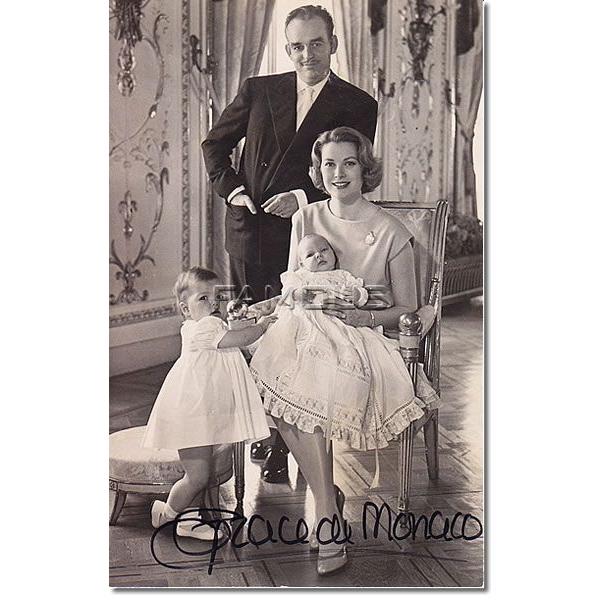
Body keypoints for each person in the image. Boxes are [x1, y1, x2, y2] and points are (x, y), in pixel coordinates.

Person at [201, 4, 378, 483]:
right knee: (253, 333)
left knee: (297, 340)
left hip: (313, 242)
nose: (307, 55)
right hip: (251, 232)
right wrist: (235, 191)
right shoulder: (259, 90)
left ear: (333, 44)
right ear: (287, 49)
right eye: (297, 46)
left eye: (316, 44)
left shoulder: (358, 103)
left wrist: (301, 197)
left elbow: (354, 174)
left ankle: (285, 445)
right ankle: (258, 430)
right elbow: (214, 145)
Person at [256, 127, 438, 575]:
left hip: (367, 337)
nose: (339, 173)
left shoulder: (391, 231)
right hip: (308, 332)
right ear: (318, 171)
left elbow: (407, 308)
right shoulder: (305, 219)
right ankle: (327, 505)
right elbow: (294, 286)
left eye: (349, 163)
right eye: (329, 164)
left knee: (305, 379)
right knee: (278, 375)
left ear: (364, 168)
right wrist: (263, 313)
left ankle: (325, 513)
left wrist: (361, 317)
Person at [250, 232, 424, 455]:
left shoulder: (343, 277)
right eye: (310, 255)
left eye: (324, 250)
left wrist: (355, 295)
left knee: (354, 355)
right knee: (297, 356)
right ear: (301, 263)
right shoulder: (300, 277)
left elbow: (362, 297)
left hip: (340, 326)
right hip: (307, 323)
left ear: (334, 254)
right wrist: (298, 296)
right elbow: (287, 298)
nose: (318, 256)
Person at [141, 267, 276, 540]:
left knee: (201, 472)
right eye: (203, 298)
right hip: (191, 414)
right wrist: (262, 326)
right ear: (185, 309)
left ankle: (188, 520)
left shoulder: (210, 325)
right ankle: (166, 514)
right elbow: (240, 338)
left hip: (202, 411)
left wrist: (248, 320)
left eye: (218, 297)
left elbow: (233, 333)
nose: (214, 303)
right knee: (197, 476)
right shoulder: (200, 329)